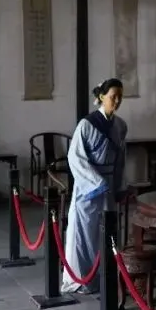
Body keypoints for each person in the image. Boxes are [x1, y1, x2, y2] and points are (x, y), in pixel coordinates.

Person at [64, 78, 128, 295]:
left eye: (120, 97)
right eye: (113, 97)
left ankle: (105, 276)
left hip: (109, 186)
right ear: (101, 97)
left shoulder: (120, 126)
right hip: (89, 188)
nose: (117, 101)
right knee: (84, 233)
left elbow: (121, 160)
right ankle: (82, 279)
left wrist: (119, 185)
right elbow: (76, 158)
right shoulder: (87, 124)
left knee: (107, 232)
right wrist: (97, 183)